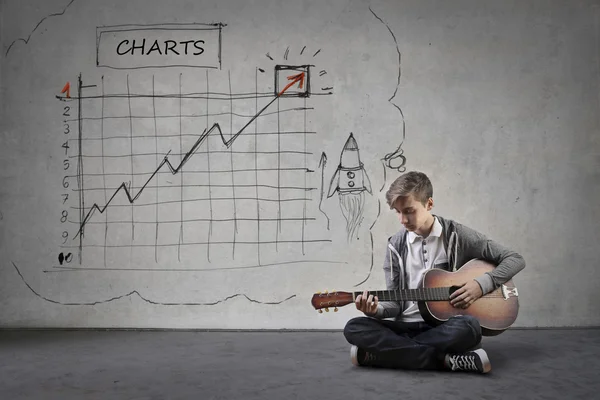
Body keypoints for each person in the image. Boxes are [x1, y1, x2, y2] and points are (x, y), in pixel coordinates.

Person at [343, 171, 525, 373]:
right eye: (398, 212)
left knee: (469, 327)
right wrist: (375, 311)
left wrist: (480, 285)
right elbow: (395, 303)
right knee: (355, 327)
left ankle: (384, 355)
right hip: (406, 325)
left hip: (445, 326)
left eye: (409, 211)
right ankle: (447, 360)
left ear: (429, 204)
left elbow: (515, 259)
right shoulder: (395, 246)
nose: (402, 220)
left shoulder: (457, 235)